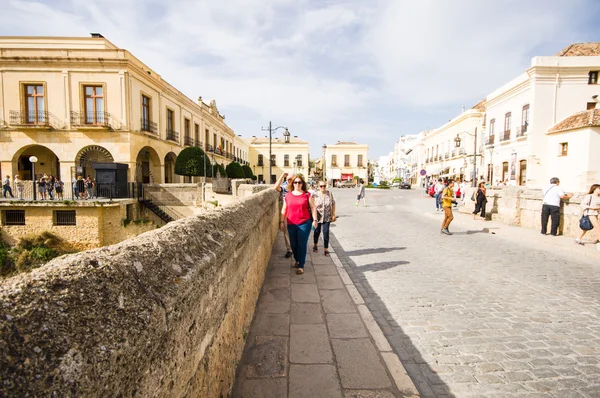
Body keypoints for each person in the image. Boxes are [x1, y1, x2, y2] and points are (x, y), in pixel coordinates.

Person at [281, 174, 318, 275]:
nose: (297, 184)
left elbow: (313, 208)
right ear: (292, 184)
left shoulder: (306, 195)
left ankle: (301, 265)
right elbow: (284, 209)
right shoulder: (288, 195)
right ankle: (297, 259)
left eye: (299, 182)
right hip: (291, 223)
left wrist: (315, 220)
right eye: (295, 182)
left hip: (304, 224)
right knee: (293, 245)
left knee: (302, 244)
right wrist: (281, 221)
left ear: (302, 184)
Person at [312, 180, 336, 256]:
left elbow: (333, 203)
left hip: (327, 217)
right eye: (321, 186)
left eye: (324, 186)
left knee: (326, 233)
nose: (323, 187)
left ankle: (326, 249)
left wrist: (333, 214)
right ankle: (315, 245)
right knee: (317, 232)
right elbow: (312, 206)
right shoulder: (315, 194)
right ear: (318, 187)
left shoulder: (329, 193)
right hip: (317, 217)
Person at [274, 173, 294, 258]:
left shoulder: (297, 186)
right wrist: (281, 176)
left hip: (296, 212)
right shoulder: (284, 187)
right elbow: (275, 187)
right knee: (286, 231)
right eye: (288, 179)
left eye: (290, 179)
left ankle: (296, 247)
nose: (289, 181)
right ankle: (289, 249)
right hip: (286, 212)